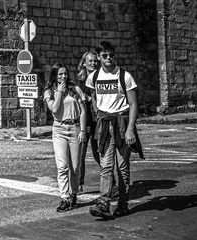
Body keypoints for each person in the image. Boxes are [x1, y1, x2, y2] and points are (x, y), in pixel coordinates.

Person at [87, 40, 142, 220]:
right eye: (105, 56)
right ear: (99, 57)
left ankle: (123, 203)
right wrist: (97, 111)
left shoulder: (125, 76)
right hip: (104, 125)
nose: (108, 58)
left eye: (111, 55)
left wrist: (130, 130)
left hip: (121, 123)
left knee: (122, 167)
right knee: (106, 165)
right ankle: (103, 202)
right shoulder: (94, 77)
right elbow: (92, 97)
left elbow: (133, 104)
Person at [43, 61, 87, 213]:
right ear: (55, 75)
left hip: (74, 127)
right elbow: (54, 110)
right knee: (62, 166)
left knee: (75, 167)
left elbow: (83, 110)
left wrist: (82, 130)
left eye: (65, 73)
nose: (63, 76)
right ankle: (65, 197)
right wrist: (60, 92)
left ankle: (74, 193)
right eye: (60, 74)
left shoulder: (75, 89)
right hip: (59, 129)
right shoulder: (49, 91)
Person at [76, 48, 101, 192]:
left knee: (100, 154)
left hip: (97, 120)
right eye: (90, 61)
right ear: (84, 63)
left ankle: (112, 183)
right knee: (81, 154)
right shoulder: (81, 80)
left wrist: (91, 99)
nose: (93, 63)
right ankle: (78, 184)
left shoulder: (101, 78)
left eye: (95, 61)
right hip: (85, 121)